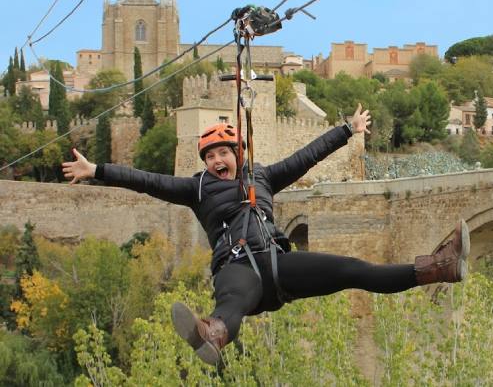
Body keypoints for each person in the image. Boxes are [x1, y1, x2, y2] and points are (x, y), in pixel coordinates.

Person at [62, 103, 469, 366]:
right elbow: (145, 180)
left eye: (224, 153)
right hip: (236, 267)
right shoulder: (197, 188)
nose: (218, 160)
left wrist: (347, 130)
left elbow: (306, 157)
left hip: (278, 264)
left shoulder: (263, 177)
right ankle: (213, 334)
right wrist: (96, 170)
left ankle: (438, 268)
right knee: (232, 302)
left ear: (237, 155)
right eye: (210, 156)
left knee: (353, 270)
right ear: (204, 163)